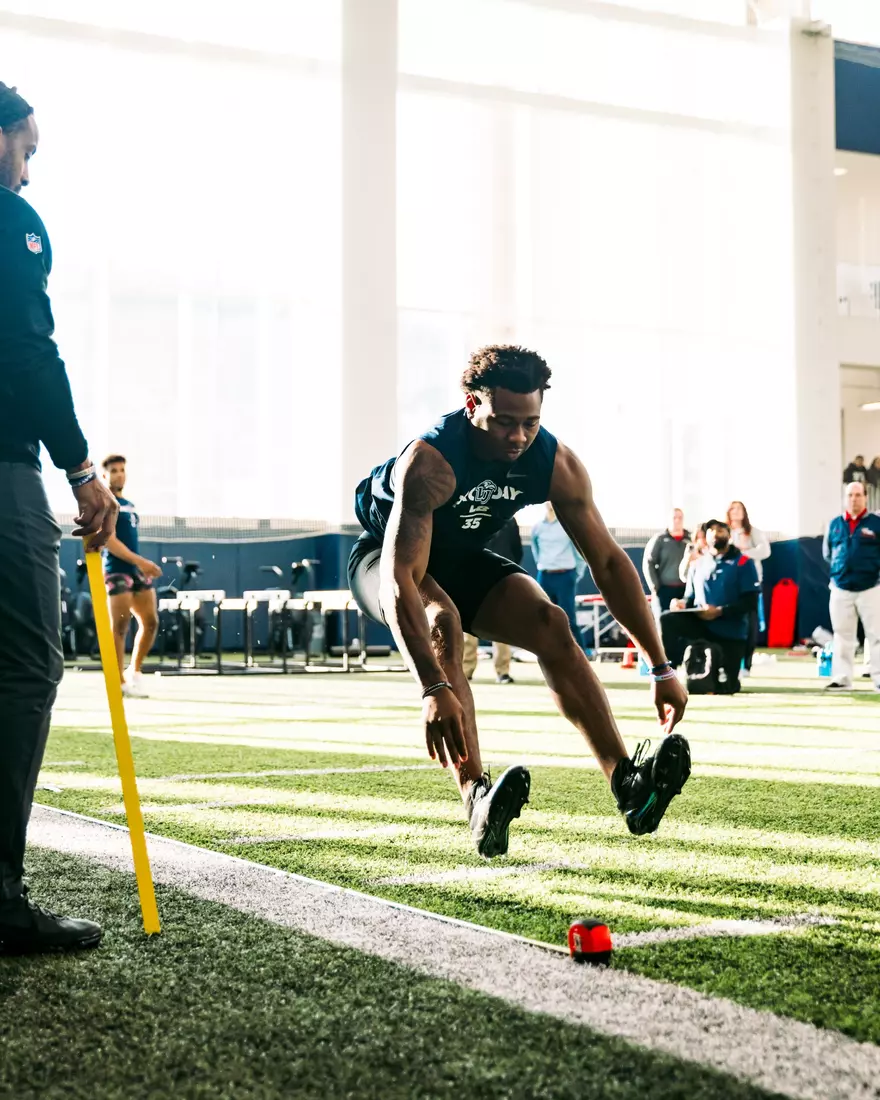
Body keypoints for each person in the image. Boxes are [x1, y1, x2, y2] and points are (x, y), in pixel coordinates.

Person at [349, 345, 689, 859]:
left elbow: (611, 564)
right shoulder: (431, 463)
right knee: (444, 619)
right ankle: (478, 801)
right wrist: (432, 685)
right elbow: (401, 580)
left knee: (550, 623)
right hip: (385, 557)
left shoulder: (555, 464)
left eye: (530, 423)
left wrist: (661, 667)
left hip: (461, 553)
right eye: (504, 422)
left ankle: (629, 785)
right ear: (471, 405)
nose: (517, 437)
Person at [0, 83, 117, 954]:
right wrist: (80, 467)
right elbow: (30, 348)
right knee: (25, 667)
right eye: (25, 149)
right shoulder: (12, 223)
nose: (28, 172)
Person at [660, 520, 761, 695]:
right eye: (711, 531)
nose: (716, 534)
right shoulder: (698, 564)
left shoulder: (743, 563)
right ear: (705, 536)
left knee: (728, 686)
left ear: (729, 536)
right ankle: (669, 671)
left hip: (730, 631)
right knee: (667, 619)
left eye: (721, 531)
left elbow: (750, 602)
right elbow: (689, 598)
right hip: (702, 626)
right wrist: (681, 603)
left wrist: (720, 610)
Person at [101, 455, 161, 698]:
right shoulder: (104, 503)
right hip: (117, 571)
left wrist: (140, 565)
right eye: (113, 470)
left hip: (136, 571)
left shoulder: (130, 505)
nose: (119, 474)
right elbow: (110, 541)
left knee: (151, 622)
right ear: (105, 475)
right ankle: (119, 682)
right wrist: (142, 562)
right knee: (120, 627)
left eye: (122, 470)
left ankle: (135, 672)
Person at [821, 481, 880, 693]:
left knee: (877, 635)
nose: (853, 499)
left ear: (865, 497)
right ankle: (842, 678)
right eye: (850, 495)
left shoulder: (876, 524)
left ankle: (878, 678)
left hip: (871, 587)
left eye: (857, 495)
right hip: (841, 587)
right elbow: (828, 554)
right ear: (845, 498)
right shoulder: (835, 524)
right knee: (842, 636)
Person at [462, 517, 521, 684]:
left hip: (499, 578)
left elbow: (516, 550)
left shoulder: (509, 520)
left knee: (501, 628)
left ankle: (500, 672)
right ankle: (467, 671)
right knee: (468, 627)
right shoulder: (473, 514)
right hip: (474, 576)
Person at [531, 502, 589, 651]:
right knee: (543, 616)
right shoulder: (538, 527)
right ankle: (548, 651)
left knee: (568, 617)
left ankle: (579, 653)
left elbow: (579, 553)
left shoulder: (567, 525)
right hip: (544, 576)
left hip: (565, 575)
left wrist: (575, 574)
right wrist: (543, 565)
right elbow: (535, 550)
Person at [726, 501, 770, 675]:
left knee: (750, 625)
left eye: (739, 509)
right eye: (732, 509)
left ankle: (746, 665)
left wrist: (744, 551)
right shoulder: (725, 532)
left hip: (750, 584)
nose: (735, 512)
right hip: (729, 586)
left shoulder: (753, 533)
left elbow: (765, 551)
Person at [643, 509, 690, 622]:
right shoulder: (659, 540)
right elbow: (649, 562)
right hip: (664, 590)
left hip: (685, 590)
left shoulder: (690, 539)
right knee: (663, 623)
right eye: (674, 518)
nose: (677, 521)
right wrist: (655, 586)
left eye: (680, 518)